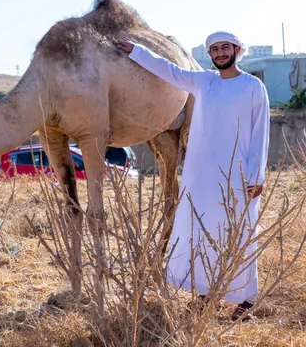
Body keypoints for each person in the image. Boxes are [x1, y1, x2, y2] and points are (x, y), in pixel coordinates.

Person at [116, 31, 270, 321]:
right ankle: (205, 294)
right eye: (215, 49)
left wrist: (255, 175)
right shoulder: (204, 81)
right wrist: (136, 51)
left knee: (239, 233)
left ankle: (246, 299)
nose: (220, 53)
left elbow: (261, 132)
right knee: (202, 230)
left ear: (237, 49)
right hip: (201, 172)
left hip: (238, 174)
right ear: (210, 54)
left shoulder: (253, 86)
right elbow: (169, 70)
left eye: (225, 48)